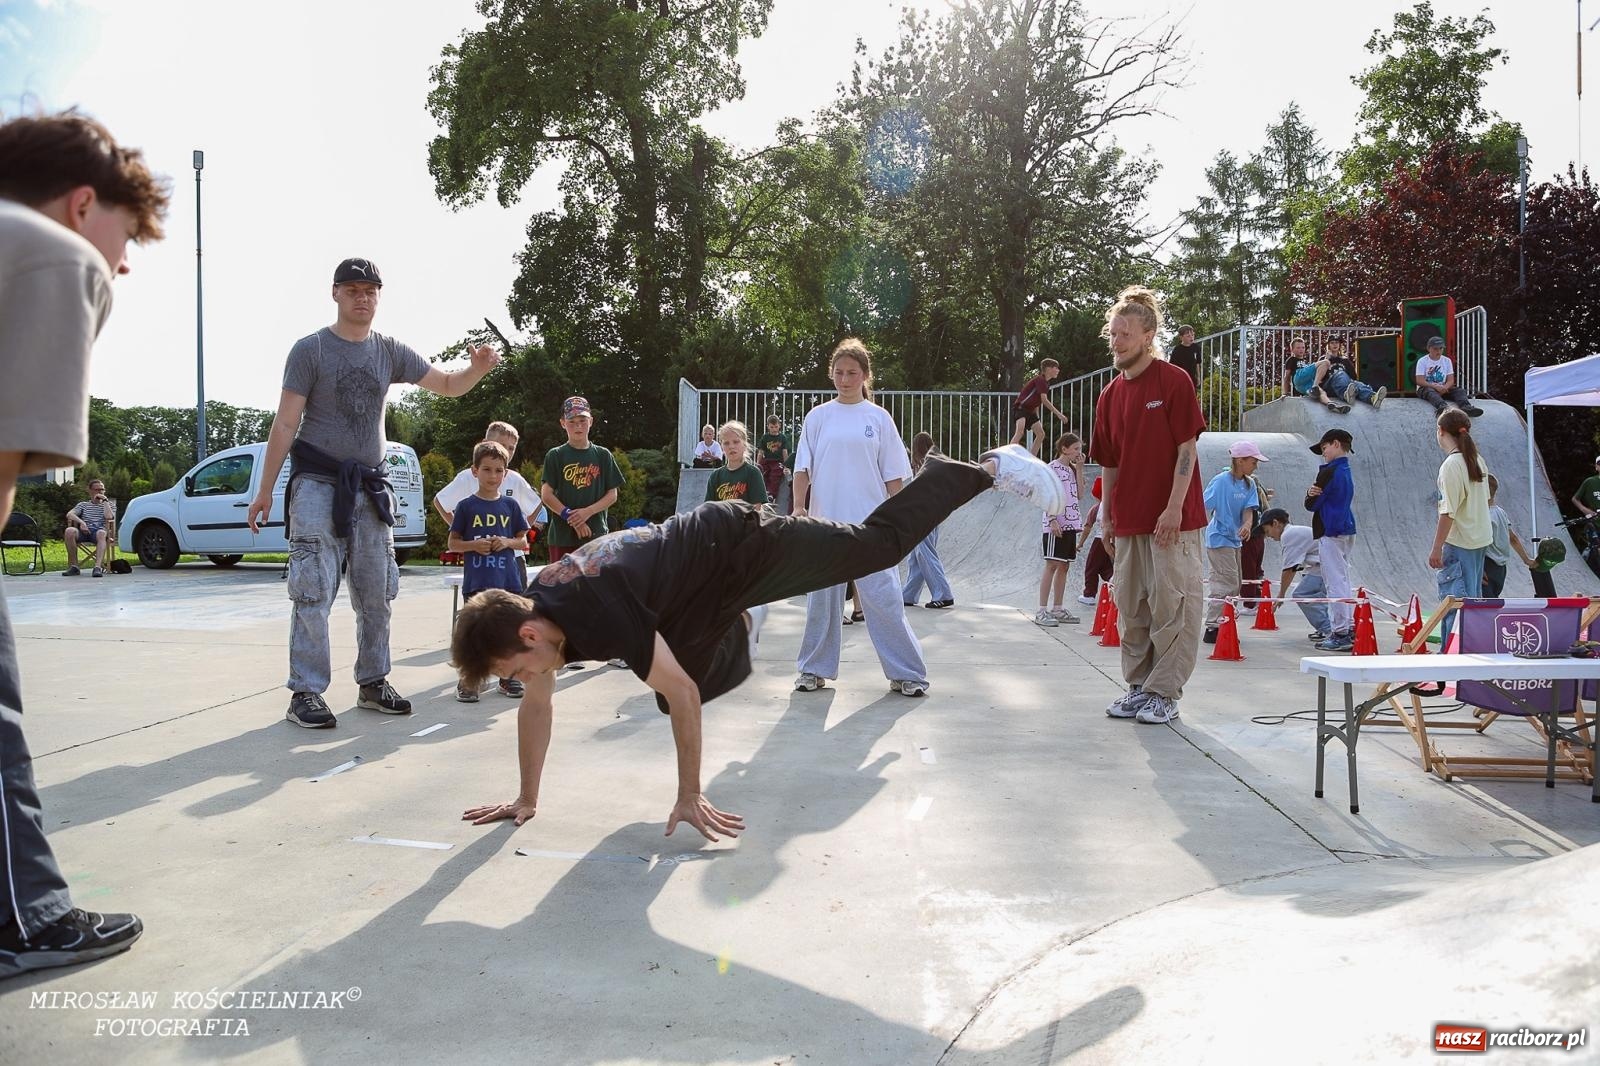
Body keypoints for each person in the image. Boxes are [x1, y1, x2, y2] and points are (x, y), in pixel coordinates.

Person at [452, 443, 1063, 838]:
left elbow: (689, 697)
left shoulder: (600, 609)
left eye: (519, 668)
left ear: (528, 634)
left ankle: (985, 467)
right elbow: (537, 705)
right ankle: (737, 623)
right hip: (696, 591)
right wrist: (525, 798)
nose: (528, 679)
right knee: (667, 688)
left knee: (877, 548)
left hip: (742, 548)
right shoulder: (537, 608)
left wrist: (690, 794)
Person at [0, 109, 168, 977]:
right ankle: (25, 922)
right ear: (80, 203)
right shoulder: (49, 253)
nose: (125, 259)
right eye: (125, 232)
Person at [247, 258, 503, 729]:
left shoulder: (388, 350)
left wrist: (478, 369)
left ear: (378, 296)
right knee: (312, 590)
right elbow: (285, 422)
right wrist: (265, 489)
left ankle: (373, 682)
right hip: (317, 484)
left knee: (376, 591)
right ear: (335, 294)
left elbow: (446, 385)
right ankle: (305, 691)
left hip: (370, 485)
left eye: (370, 290)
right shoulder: (311, 350)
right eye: (352, 290)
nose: (362, 298)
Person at [1090, 286, 1207, 725]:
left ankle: (1165, 692)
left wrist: (1174, 508)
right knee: (1132, 606)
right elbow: (1110, 461)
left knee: (1172, 605)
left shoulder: (1173, 380)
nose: (1116, 341)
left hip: (1171, 519)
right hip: (1128, 520)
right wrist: (1106, 515)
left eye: (1124, 334)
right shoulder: (1109, 394)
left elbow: (1186, 449)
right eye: (1113, 334)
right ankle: (1139, 687)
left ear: (1148, 335)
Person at [791, 339, 929, 697]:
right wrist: (799, 508)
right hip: (825, 526)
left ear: (865, 375)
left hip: (872, 527)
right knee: (822, 602)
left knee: (884, 600)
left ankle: (908, 673)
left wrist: (902, 520)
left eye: (852, 372)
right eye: (839, 372)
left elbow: (894, 477)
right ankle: (812, 669)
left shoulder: (878, 418)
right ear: (831, 374)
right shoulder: (818, 417)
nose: (845, 378)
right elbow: (802, 468)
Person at [448, 441, 531, 702]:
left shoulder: (511, 506)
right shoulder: (466, 506)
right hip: (478, 583)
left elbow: (523, 540)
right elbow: (453, 543)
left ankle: (509, 678)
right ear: (475, 471)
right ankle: (470, 679)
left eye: (498, 471)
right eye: (486, 470)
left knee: (509, 632)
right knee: (474, 634)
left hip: (507, 582)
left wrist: (506, 542)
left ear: (505, 473)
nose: (492, 476)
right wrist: (474, 545)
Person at [434, 419, 546, 610]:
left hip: (513, 558)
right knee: (479, 615)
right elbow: (440, 502)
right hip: (479, 561)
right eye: (502, 445)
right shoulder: (467, 477)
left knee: (517, 613)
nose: (507, 452)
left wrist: (518, 532)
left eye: (511, 448)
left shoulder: (514, 478)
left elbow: (536, 504)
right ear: (485, 444)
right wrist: (460, 528)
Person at [1430, 407, 1491, 643]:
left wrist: (1437, 547)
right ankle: (1470, 658)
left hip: (1460, 542)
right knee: (1472, 606)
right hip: (1479, 540)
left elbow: (1448, 513)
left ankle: (1452, 662)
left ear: (1441, 431)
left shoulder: (1451, 466)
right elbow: (1485, 500)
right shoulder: (1477, 460)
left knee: (1454, 607)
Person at [539, 396, 625, 563]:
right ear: (563, 423)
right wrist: (573, 519)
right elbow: (547, 494)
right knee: (562, 585)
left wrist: (587, 512)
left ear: (591, 421)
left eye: (582, 420)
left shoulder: (602, 455)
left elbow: (612, 494)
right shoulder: (555, 455)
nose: (578, 425)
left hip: (596, 534)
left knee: (596, 585)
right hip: (562, 537)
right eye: (572, 421)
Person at [1201, 441, 1267, 644]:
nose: (1256, 465)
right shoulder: (1221, 481)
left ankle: (1222, 622)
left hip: (1235, 540)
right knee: (1225, 582)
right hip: (1219, 538)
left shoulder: (1249, 483)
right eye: (1253, 461)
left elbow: (1249, 509)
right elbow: (1204, 504)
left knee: (1236, 583)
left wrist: (1247, 525)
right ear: (1240, 460)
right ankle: (1213, 626)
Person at [1305, 428, 1358, 652]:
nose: (1323, 453)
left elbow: (1312, 504)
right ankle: (1350, 625)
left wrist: (1309, 495)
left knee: (1334, 582)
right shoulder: (1345, 470)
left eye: (1324, 448)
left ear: (1335, 444)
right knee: (1343, 579)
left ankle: (1340, 632)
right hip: (1345, 527)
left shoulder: (1328, 472)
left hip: (1330, 530)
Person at [1254, 508, 1333, 643]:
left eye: (1267, 531)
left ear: (1275, 523)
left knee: (1302, 594)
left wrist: (1281, 595)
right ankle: (1328, 628)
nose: (1269, 537)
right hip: (1324, 566)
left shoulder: (1289, 535)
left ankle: (1329, 629)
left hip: (1325, 567)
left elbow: (1289, 569)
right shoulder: (1295, 532)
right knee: (1315, 597)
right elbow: (1298, 565)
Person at [1035, 432, 1087, 626]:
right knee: (1052, 565)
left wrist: (1080, 469)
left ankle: (1057, 608)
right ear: (1064, 449)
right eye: (1075, 449)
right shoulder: (1052, 469)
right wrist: (1052, 519)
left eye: (1080, 449)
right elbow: (1046, 494)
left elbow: (1081, 495)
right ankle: (1041, 610)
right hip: (1056, 524)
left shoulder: (1073, 470)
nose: (1078, 453)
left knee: (1064, 565)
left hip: (1071, 524)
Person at [902, 432, 955, 610]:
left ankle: (943, 594)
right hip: (929, 515)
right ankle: (908, 594)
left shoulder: (928, 467)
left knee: (925, 554)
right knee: (917, 556)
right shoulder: (933, 464)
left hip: (924, 516)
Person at [1482, 474, 1537, 598]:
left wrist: (1477, 569)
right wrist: (1526, 559)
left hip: (1487, 565)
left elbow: (1479, 544)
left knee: (1484, 603)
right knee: (1493, 599)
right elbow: (1513, 539)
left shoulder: (1484, 517)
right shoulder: (1501, 512)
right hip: (1501, 569)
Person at [1008, 358, 1069, 456]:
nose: (1058, 370)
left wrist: (1037, 418)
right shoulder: (1040, 380)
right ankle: (1008, 455)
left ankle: (1031, 457)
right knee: (1020, 432)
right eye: (1056, 368)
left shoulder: (1046, 383)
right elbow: (1044, 400)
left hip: (1030, 411)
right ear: (1048, 369)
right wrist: (1059, 415)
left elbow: (1037, 402)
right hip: (1021, 408)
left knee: (1041, 434)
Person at [1414, 335, 1483, 417]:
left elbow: (1450, 380)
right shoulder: (1422, 361)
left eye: (1441, 348)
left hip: (1443, 388)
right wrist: (1435, 387)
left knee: (1460, 391)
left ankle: (1466, 407)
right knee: (1429, 391)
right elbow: (1419, 381)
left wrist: (1445, 388)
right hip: (1426, 388)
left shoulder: (1447, 361)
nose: (1438, 351)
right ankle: (1442, 406)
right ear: (1429, 349)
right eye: (1435, 349)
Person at [704, 420, 768, 505]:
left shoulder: (753, 473)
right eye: (726, 443)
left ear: (744, 444)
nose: (731, 446)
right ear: (722, 447)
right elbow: (708, 510)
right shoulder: (715, 476)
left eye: (736, 442)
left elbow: (757, 509)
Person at [63, 478, 115, 577]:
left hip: (99, 533)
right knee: (69, 531)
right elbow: (70, 514)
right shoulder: (83, 505)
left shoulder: (109, 505)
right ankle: (74, 566)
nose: (100, 491)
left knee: (101, 533)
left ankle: (97, 567)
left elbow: (109, 517)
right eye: (97, 489)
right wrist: (81, 522)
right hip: (84, 531)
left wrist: (105, 501)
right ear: (90, 491)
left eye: (102, 489)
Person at [1283, 337, 1349, 414]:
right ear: (1292, 350)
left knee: (1321, 392)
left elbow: (1319, 372)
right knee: (1326, 362)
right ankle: (1315, 386)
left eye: (1303, 347)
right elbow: (1286, 377)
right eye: (1298, 348)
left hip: (1302, 386)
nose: (1301, 350)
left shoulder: (1305, 362)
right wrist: (1285, 393)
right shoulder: (1292, 359)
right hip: (1298, 376)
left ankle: (1331, 404)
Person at [1321, 337, 1386, 411]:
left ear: (1340, 345)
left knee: (1358, 384)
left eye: (1337, 342)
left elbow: (1353, 377)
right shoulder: (1323, 359)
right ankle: (1345, 395)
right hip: (1329, 387)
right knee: (1340, 374)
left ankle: (1372, 398)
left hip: (1347, 387)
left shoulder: (1345, 360)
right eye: (1332, 343)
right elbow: (1319, 377)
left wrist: (1353, 384)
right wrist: (1326, 359)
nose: (1334, 345)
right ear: (1328, 345)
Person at [1077, 477, 1113, 606]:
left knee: (1091, 567)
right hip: (1113, 540)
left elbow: (1087, 527)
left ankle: (1089, 594)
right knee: (1105, 567)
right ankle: (1112, 579)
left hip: (1099, 541)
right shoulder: (1115, 506)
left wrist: (1080, 543)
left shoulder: (1096, 508)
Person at [757, 415, 791, 504]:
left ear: (779, 426)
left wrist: (786, 465)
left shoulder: (782, 437)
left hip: (778, 461)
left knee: (775, 474)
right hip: (767, 460)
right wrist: (758, 463)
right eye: (772, 427)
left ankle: (771, 495)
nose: (774, 429)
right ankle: (763, 492)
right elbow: (761, 451)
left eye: (776, 427)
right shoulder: (765, 437)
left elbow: (784, 452)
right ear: (768, 426)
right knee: (762, 472)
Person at [1167, 324, 1201, 390]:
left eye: (1193, 335)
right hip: (1180, 379)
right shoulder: (1177, 350)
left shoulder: (1196, 347)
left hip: (1192, 379)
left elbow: (1197, 363)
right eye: (1188, 336)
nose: (1191, 337)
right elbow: (1172, 367)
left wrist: (1198, 377)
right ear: (1181, 337)